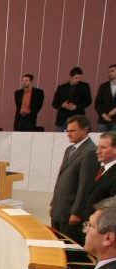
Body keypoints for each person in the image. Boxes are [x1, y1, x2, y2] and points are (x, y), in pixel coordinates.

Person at [50, 115, 98, 244]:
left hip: (71, 212)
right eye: (67, 131)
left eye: (73, 131)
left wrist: (76, 212)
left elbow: (84, 186)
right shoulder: (69, 149)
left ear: (85, 130)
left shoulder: (90, 152)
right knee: (56, 243)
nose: (68, 134)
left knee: (68, 247)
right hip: (59, 208)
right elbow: (62, 180)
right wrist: (53, 204)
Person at [80, 132, 116, 222]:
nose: (97, 151)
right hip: (87, 222)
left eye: (103, 148)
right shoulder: (97, 168)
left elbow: (111, 208)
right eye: (98, 147)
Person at [52, 67, 92, 132]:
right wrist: (63, 105)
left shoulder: (84, 86)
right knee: (60, 139)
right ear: (70, 77)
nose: (78, 80)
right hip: (62, 118)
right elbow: (54, 104)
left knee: (77, 139)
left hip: (78, 117)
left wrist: (76, 107)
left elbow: (88, 101)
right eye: (76, 78)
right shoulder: (61, 88)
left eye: (80, 78)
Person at [94, 64, 116, 132]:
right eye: (108, 72)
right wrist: (103, 115)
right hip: (103, 121)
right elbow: (97, 104)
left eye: (112, 71)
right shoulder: (103, 86)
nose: (109, 73)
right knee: (101, 139)